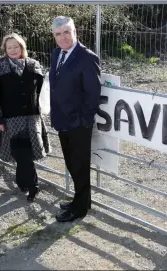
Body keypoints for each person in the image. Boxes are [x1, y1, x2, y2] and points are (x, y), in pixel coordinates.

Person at [49, 16, 101, 222]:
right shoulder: (56, 54)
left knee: (79, 165)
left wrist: (84, 120)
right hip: (62, 120)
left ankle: (79, 209)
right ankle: (82, 200)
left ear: (74, 32)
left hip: (78, 123)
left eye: (66, 32)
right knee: (71, 164)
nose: (62, 37)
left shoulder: (87, 57)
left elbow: (93, 94)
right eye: (58, 34)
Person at [0, 33, 51, 202]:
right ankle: (30, 185)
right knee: (20, 153)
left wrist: (43, 108)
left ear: (22, 47)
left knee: (27, 153)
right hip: (11, 119)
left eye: (16, 46)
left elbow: (42, 92)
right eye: (9, 47)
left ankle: (27, 184)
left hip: (32, 118)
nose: (13, 50)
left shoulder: (33, 66)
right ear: (5, 49)